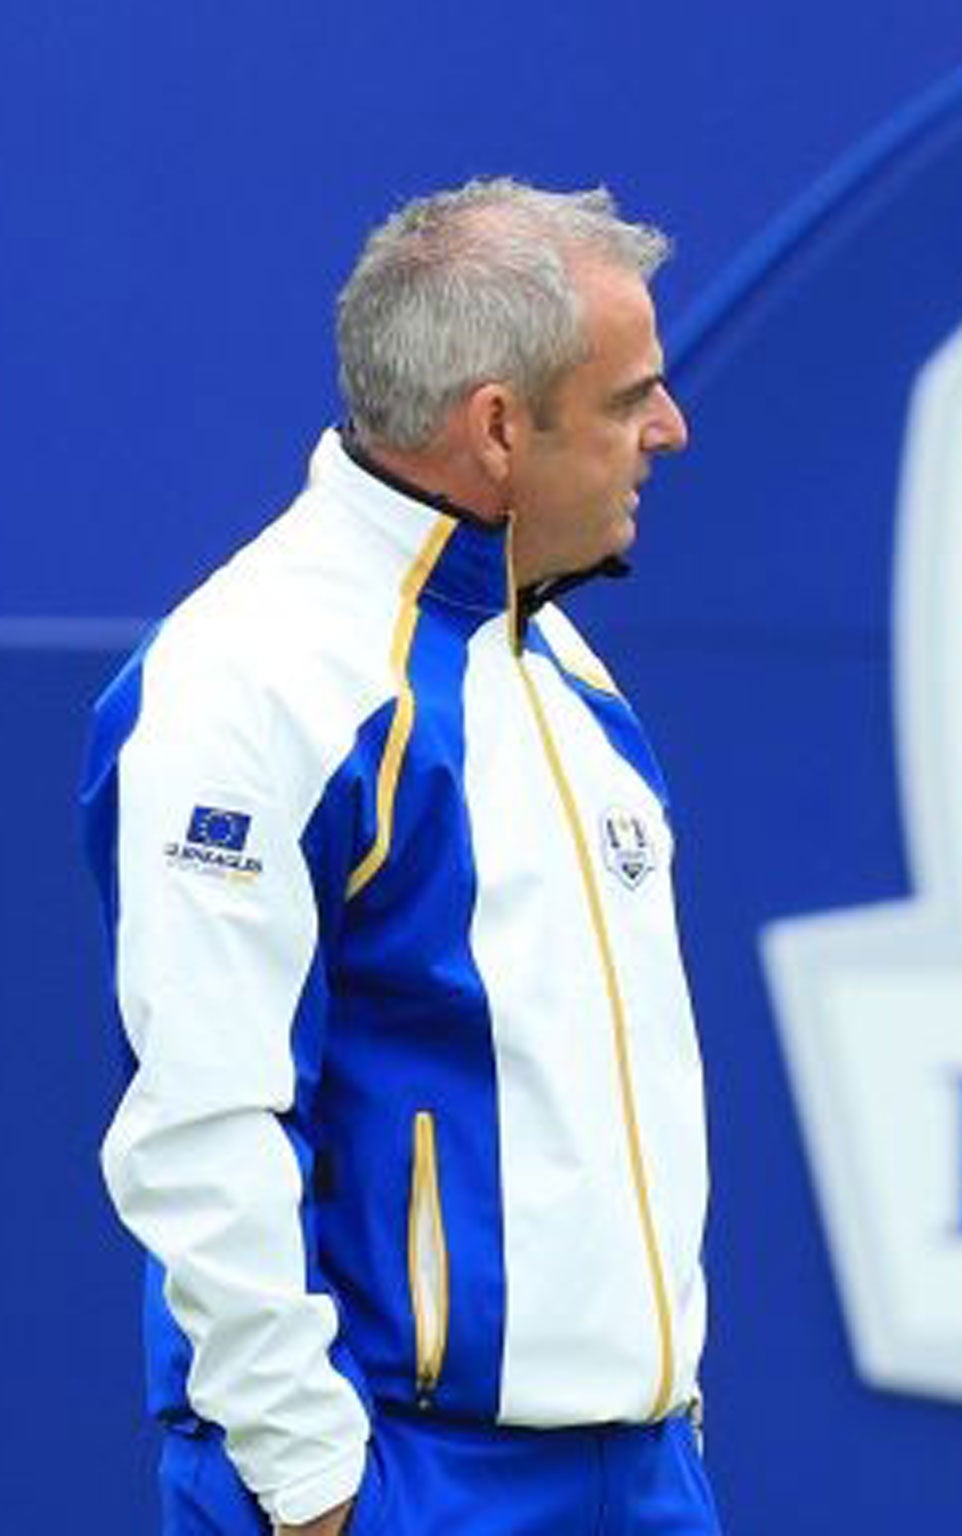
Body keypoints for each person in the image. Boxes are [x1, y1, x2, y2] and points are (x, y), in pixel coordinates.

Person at [81, 179, 717, 1535]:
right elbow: (202, 1122)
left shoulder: (563, 666)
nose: (670, 429)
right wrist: (313, 1488)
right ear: (497, 427)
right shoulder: (248, 678)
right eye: (628, 400)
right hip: (402, 1484)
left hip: (642, 1474)